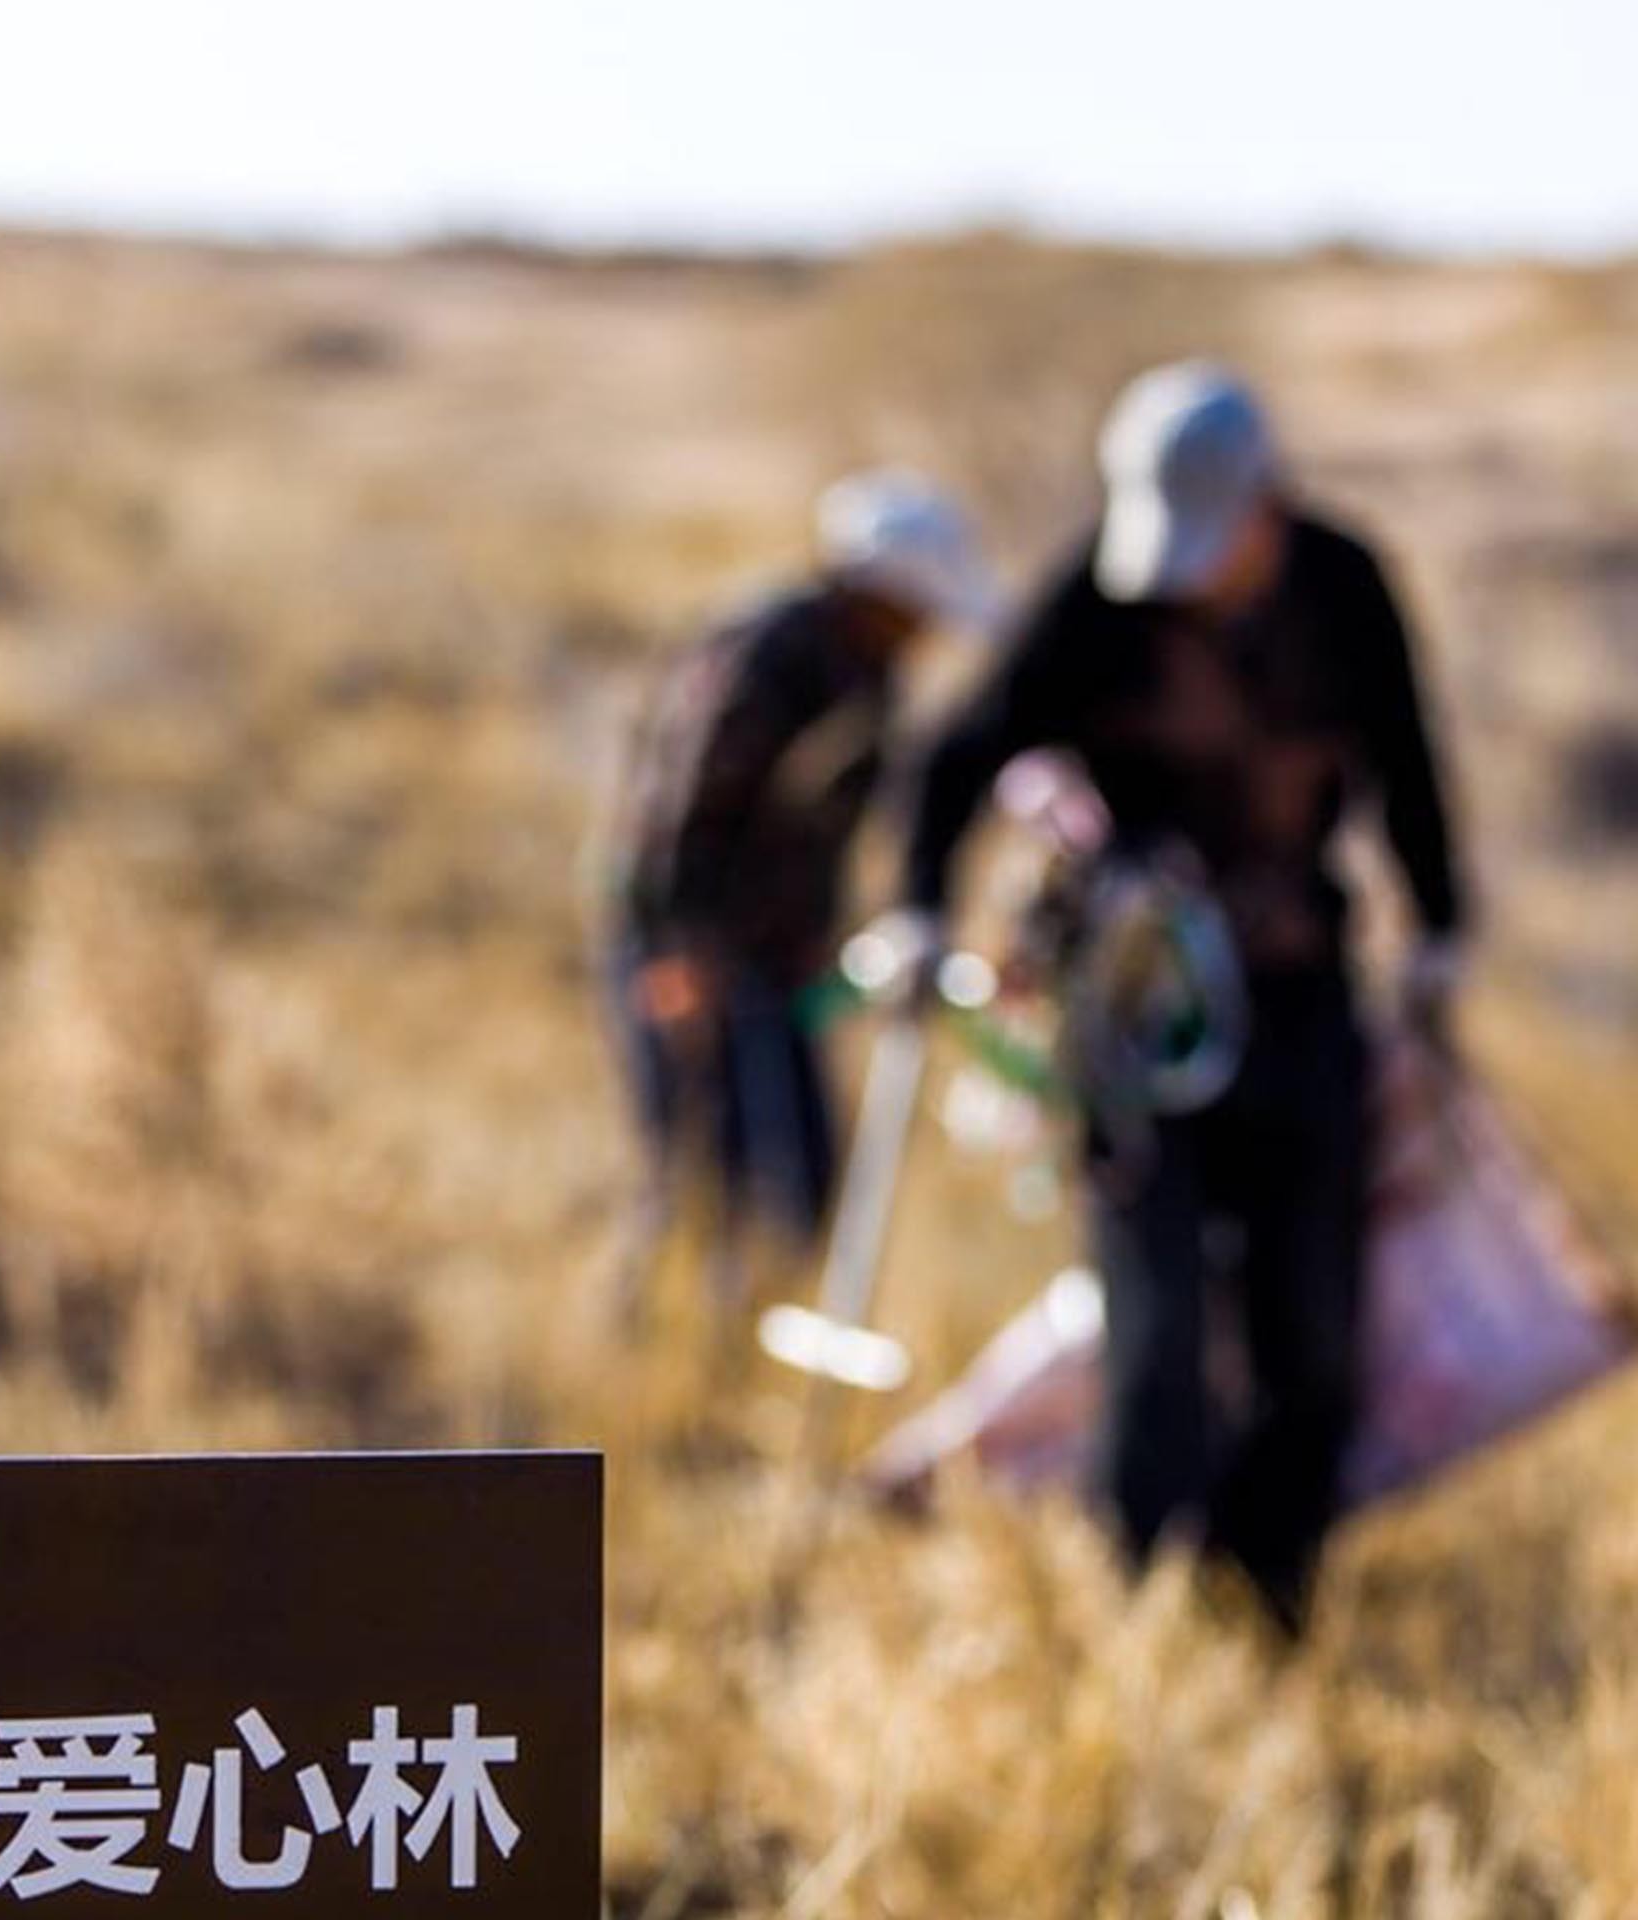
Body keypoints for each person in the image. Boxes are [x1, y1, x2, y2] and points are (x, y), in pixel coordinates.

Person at [890, 358, 1466, 1632]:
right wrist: (919, 909)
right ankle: (1140, 1608)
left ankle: (1265, 1602)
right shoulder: (1096, 602)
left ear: (1268, 503)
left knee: (1311, 1339)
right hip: (1134, 1014)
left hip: (1301, 999)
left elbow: (1408, 756)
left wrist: (1439, 927)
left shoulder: (1343, 589)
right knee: (1153, 1339)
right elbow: (955, 755)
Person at [608, 467, 993, 1266]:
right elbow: (683, 802)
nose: (928, 630)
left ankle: (765, 1302)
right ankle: (672, 1318)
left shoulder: (869, 672)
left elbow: (831, 823)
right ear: (879, 594)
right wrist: (677, 947)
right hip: (691, 937)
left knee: (798, 1167)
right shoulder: (769, 656)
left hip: (772, 948)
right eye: (918, 609)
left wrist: (819, 930)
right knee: (700, 1163)